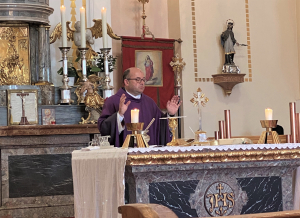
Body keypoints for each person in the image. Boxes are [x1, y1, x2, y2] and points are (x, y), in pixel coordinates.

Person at [98, 67, 182, 147]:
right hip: (124, 156)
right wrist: (119, 115)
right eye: (138, 80)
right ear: (126, 82)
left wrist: (169, 115)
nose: (142, 83)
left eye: (143, 80)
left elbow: (160, 127)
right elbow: (104, 130)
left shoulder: (149, 102)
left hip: (148, 155)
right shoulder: (113, 101)